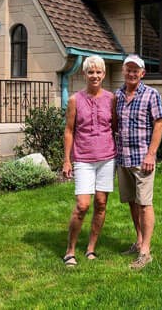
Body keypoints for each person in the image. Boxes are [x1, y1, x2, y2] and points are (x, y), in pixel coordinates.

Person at [62, 55, 116, 267]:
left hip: (107, 157)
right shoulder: (75, 100)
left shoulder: (111, 98)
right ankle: (70, 250)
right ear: (84, 74)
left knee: (101, 204)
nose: (95, 76)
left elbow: (115, 127)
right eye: (90, 72)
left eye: (98, 72)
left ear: (104, 74)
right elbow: (69, 130)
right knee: (82, 205)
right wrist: (67, 160)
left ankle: (91, 248)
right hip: (83, 158)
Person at [115, 54, 162, 270]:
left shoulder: (151, 94)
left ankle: (146, 251)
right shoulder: (117, 95)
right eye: (129, 69)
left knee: (144, 204)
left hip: (143, 158)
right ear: (124, 72)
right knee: (132, 202)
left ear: (142, 73)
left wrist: (151, 154)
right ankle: (138, 241)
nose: (132, 73)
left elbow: (159, 125)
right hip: (123, 157)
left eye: (136, 70)